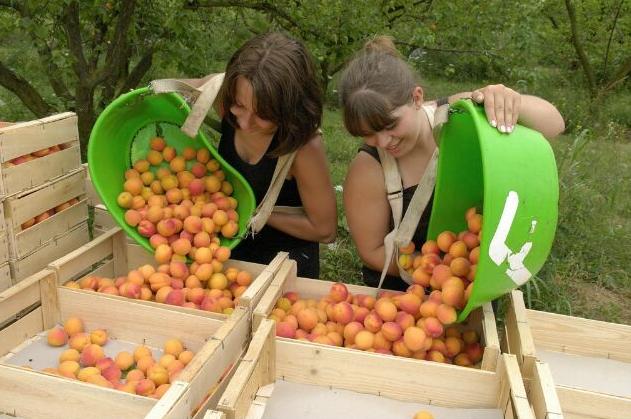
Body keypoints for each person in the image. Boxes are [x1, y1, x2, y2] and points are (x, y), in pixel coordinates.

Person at [339, 36, 565, 291]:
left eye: (390, 125)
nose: (382, 141)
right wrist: (439, 275)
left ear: (416, 98)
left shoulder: (459, 116)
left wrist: (509, 102)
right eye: (367, 133)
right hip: (403, 295)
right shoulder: (368, 167)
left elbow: (555, 125)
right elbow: (372, 251)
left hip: (475, 283)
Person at [212, 32, 337, 278]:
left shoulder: (303, 148)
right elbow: (174, 92)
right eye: (240, 105)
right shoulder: (226, 96)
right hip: (225, 260)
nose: (245, 123)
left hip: (281, 268)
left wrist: (252, 213)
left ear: (290, 112)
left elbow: (325, 230)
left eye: (263, 114)